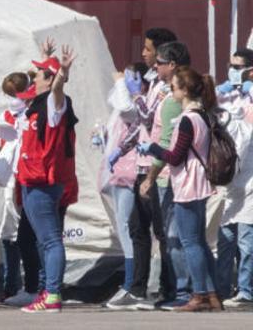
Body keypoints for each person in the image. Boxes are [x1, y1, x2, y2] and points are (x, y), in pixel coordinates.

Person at [137, 67, 221, 312]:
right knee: (199, 242)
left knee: (190, 242)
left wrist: (151, 148)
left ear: (184, 90)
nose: (170, 91)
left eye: (173, 87)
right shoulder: (201, 115)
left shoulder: (187, 119)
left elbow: (174, 157)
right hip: (199, 182)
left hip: (188, 184)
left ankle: (199, 295)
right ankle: (211, 293)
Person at [16, 46, 78, 313]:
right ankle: (46, 291)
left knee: (51, 240)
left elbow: (57, 91)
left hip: (43, 182)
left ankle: (52, 294)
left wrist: (62, 72)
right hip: (30, 181)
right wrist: (47, 57)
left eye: (39, 74)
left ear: (50, 79)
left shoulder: (54, 105)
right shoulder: (36, 107)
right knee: (43, 240)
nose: (34, 77)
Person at [139, 41, 192, 310]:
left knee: (174, 238)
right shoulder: (164, 94)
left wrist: (150, 176)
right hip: (166, 177)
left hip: (169, 178)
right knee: (167, 236)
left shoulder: (173, 101)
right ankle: (172, 289)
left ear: (172, 65)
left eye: (159, 62)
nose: (154, 66)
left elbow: (166, 144)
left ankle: (182, 290)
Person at [128, 28, 179, 309]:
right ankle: (137, 287)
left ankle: (169, 289)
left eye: (150, 51)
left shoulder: (169, 90)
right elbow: (140, 125)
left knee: (164, 233)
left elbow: (149, 120)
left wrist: (136, 97)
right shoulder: (155, 84)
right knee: (138, 228)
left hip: (160, 169)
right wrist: (120, 149)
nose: (145, 56)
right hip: (144, 164)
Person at [103, 63, 151, 309]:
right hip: (119, 170)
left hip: (130, 171)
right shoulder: (130, 101)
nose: (122, 77)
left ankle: (132, 281)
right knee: (125, 226)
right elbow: (118, 120)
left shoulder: (138, 103)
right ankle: (130, 281)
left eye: (132, 75)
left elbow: (126, 110)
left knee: (128, 226)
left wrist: (123, 84)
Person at [214, 49, 253, 307]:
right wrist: (223, 88)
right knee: (225, 237)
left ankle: (246, 291)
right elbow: (209, 104)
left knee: (246, 240)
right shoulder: (226, 95)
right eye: (230, 65)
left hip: (250, 178)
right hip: (229, 177)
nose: (233, 69)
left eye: (238, 66)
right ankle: (222, 289)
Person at [0, 72, 33, 306]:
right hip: (7, 181)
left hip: (23, 178)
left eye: (15, 94)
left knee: (26, 235)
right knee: (7, 235)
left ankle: (32, 285)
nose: (12, 99)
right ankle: (10, 286)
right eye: (8, 95)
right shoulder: (7, 114)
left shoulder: (30, 113)